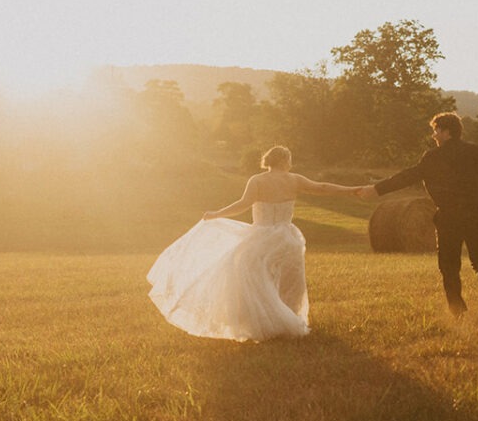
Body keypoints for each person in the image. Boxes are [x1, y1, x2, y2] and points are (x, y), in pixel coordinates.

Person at [148, 146, 363, 342]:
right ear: (286, 160)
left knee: (252, 278)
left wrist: (216, 214)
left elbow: (242, 204)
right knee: (290, 280)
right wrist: (351, 190)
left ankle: (264, 322)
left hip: (261, 237)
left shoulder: (258, 180)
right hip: (287, 238)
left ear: (267, 161)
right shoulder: (294, 179)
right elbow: (323, 187)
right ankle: (289, 318)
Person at [358, 112, 478, 319]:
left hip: (450, 217)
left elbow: (407, 176)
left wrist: (377, 189)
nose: (433, 135)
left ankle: (457, 309)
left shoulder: (433, 157)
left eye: (436, 130)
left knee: (449, 265)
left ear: (446, 131)